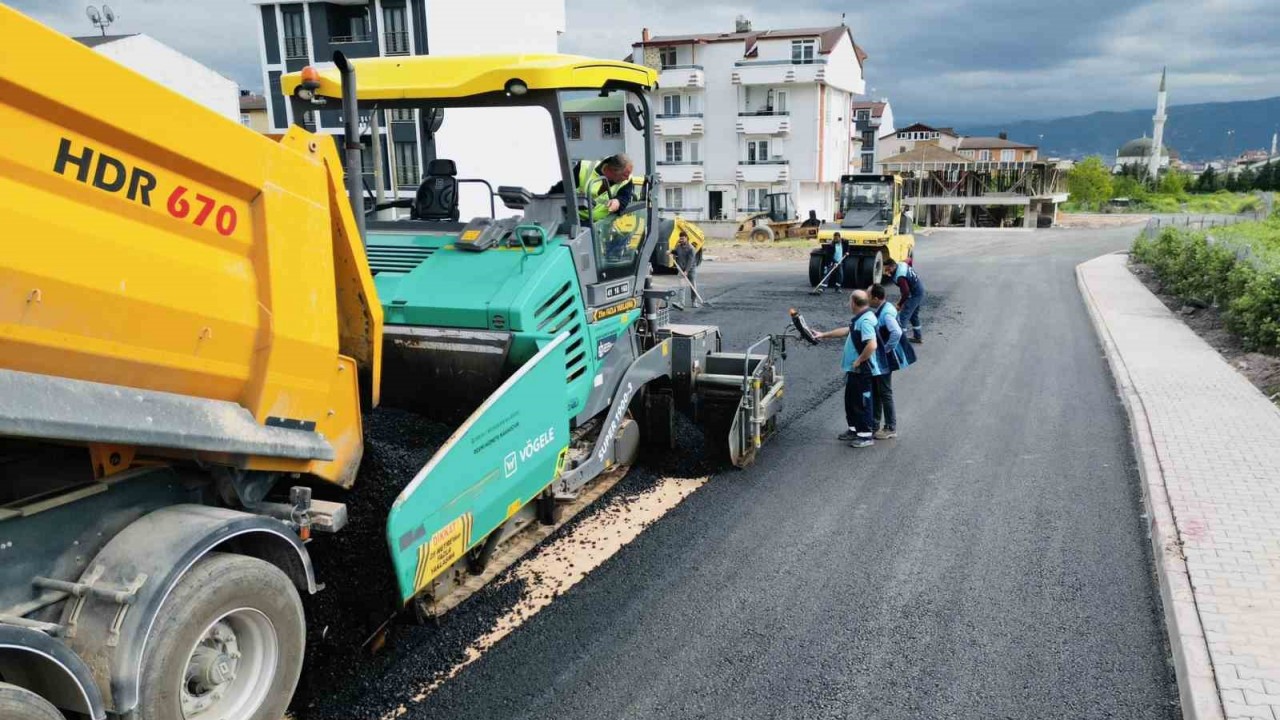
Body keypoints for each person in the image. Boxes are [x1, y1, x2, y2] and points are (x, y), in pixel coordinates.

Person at [813, 290, 882, 448]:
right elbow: (847, 330)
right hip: (854, 370)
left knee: (862, 402)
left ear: (854, 303)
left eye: (849, 301)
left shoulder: (865, 321)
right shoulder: (861, 318)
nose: (848, 304)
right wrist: (823, 334)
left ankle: (865, 436)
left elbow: (872, 345)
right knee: (851, 400)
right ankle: (854, 429)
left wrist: (859, 360)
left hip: (863, 370)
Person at [868, 283, 915, 439]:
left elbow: (896, 332)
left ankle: (890, 427)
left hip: (886, 358)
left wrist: (886, 349)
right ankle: (875, 424)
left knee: (884, 391)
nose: (866, 298)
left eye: (868, 296)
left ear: (876, 298)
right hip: (883, 356)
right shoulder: (885, 308)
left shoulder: (886, 313)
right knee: (878, 390)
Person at [883, 257, 925, 343]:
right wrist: (910, 272)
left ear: (893, 266)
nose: (887, 273)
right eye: (885, 270)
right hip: (918, 289)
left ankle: (901, 341)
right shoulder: (901, 264)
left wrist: (899, 304)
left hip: (914, 294)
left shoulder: (900, 277)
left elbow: (906, 292)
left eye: (888, 270)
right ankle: (918, 337)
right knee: (913, 315)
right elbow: (909, 259)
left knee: (903, 316)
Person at [674, 232, 700, 307]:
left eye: (682, 238)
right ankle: (681, 303)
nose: (681, 240)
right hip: (681, 269)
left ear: (686, 238)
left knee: (692, 286)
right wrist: (670, 252)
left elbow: (690, 261)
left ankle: (694, 302)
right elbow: (676, 252)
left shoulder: (691, 249)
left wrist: (686, 271)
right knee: (681, 286)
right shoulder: (678, 246)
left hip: (690, 269)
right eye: (680, 238)